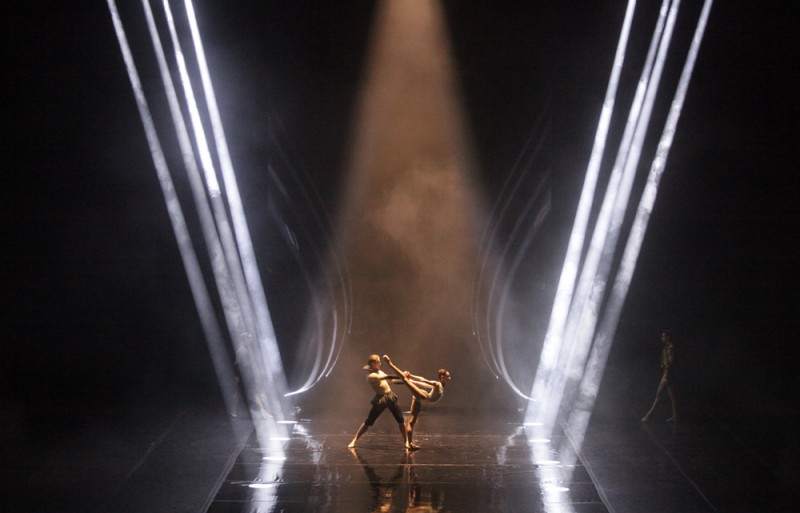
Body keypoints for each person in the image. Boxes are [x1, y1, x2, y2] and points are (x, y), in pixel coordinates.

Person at [382, 354, 451, 450]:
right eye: (448, 376)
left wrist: (411, 380)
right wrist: (411, 377)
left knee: (411, 421)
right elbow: (423, 380)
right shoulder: (438, 383)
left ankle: (409, 444)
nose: (449, 377)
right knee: (405, 379)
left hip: (420, 398)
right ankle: (390, 363)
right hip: (423, 396)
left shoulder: (439, 385)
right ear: (442, 377)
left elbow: (422, 383)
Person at [348, 354, 409, 449]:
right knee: (369, 421)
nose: (380, 363)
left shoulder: (380, 371)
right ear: (373, 363)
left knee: (400, 420)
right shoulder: (371, 376)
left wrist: (405, 382)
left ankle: (406, 441)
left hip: (390, 396)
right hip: (381, 399)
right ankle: (354, 440)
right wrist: (402, 375)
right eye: (378, 362)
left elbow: (391, 380)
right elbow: (387, 377)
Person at [641, 330, 677, 422]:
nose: (662, 338)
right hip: (667, 373)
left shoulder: (670, 348)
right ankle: (675, 416)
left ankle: (648, 416)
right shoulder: (667, 348)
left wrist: (666, 375)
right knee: (672, 396)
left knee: (658, 395)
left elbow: (671, 363)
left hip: (667, 374)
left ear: (668, 337)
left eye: (664, 336)